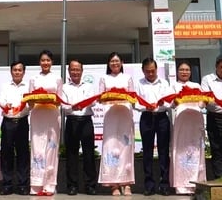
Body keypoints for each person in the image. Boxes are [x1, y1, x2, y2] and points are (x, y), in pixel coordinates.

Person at [98, 52, 135, 196]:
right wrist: (110, 97)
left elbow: (133, 97)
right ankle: (113, 184)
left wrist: (124, 96)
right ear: (108, 64)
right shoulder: (104, 78)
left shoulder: (128, 78)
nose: (115, 63)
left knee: (126, 146)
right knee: (110, 146)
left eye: (117, 61)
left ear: (122, 63)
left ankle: (126, 183)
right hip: (110, 115)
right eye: (112, 61)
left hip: (125, 114)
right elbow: (100, 98)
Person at [135, 57, 172, 196]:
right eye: (147, 71)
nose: (150, 74)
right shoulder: (139, 83)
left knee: (163, 151)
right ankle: (149, 185)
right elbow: (135, 103)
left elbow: (170, 102)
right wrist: (145, 107)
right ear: (143, 71)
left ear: (156, 69)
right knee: (147, 152)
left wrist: (163, 104)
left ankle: (164, 184)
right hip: (147, 117)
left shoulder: (164, 83)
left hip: (162, 118)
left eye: (153, 71)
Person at [28, 49, 63, 196]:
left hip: (52, 115)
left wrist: (51, 100)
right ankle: (36, 185)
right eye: (43, 60)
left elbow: (60, 100)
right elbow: (29, 101)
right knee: (37, 147)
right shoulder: (33, 79)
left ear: (52, 62)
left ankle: (49, 184)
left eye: (48, 60)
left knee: (51, 148)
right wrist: (35, 100)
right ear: (39, 62)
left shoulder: (57, 79)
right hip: (37, 115)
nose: (45, 63)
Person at [61, 59, 97, 196]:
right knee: (71, 154)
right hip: (71, 120)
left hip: (86, 121)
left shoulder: (88, 86)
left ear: (82, 71)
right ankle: (72, 185)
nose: (75, 72)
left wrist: (85, 104)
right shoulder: (64, 87)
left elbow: (93, 101)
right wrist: (71, 107)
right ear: (69, 71)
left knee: (89, 154)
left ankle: (90, 185)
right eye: (73, 69)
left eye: (78, 69)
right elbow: (63, 105)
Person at [169, 62, 206, 195]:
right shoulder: (173, 85)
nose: (184, 72)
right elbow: (170, 104)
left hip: (196, 118)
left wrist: (203, 102)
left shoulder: (196, 85)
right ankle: (181, 185)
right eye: (182, 70)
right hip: (182, 119)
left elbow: (202, 102)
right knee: (180, 149)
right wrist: (177, 100)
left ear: (190, 72)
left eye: (187, 70)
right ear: (178, 71)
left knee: (196, 149)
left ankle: (197, 182)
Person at [0, 61, 30, 196]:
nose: (17, 72)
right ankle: (7, 184)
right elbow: (0, 99)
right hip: (8, 122)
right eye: (15, 70)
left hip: (22, 122)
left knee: (23, 154)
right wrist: (5, 104)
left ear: (23, 72)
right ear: (11, 72)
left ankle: (23, 185)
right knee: (6, 154)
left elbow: (32, 104)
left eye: (20, 70)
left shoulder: (29, 86)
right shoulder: (5, 86)